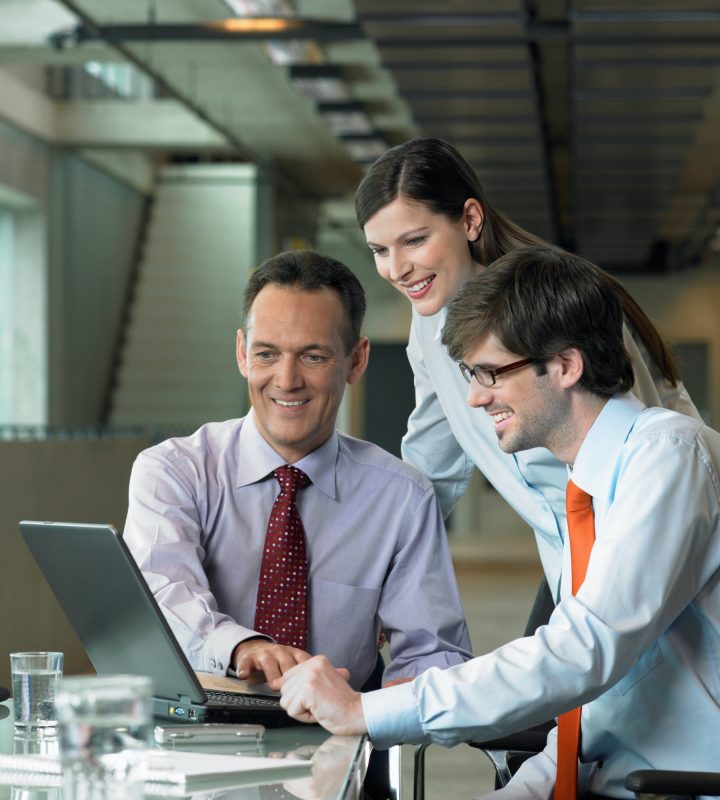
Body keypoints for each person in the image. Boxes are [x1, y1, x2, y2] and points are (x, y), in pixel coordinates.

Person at [279, 246, 720, 799]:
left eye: (490, 372)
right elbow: (600, 714)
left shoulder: (669, 458)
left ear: (565, 365)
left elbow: (583, 652)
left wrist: (368, 709)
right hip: (608, 774)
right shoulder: (585, 490)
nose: (473, 396)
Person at [355, 137, 700, 596]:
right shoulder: (429, 330)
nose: (396, 269)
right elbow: (432, 465)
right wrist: (377, 573)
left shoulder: (560, 303)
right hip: (568, 557)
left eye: (414, 241)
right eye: (380, 251)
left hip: (644, 548)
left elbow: (653, 450)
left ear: (471, 221)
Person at [123, 249, 472, 695]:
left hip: (340, 733)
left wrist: (390, 703)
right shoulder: (173, 472)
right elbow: (163, 594)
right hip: (197, 731)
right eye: (267, 354)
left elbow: (435, 652)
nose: (287, 380)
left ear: (357, 360)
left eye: (313, 357)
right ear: (242, 354)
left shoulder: (402, 497)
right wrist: (243, 647)